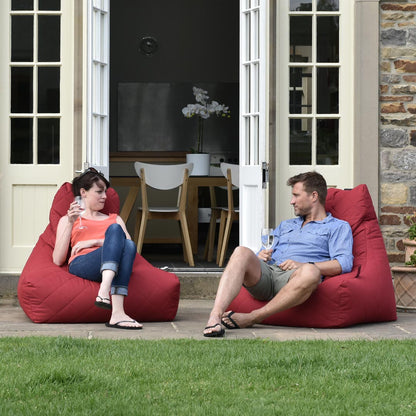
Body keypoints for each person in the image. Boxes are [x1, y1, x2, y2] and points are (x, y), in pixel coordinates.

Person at [203, 171, 354, 337]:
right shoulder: (286, 225)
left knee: (311, 272)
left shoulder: (337, 227)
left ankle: (253, 317)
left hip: (295, 278)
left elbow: (344, 263)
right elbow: (266, 249)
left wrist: (303, 265)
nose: (292, 201)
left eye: (296, 195)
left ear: (314, 196)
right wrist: (260, 255)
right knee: (241, 252)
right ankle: (215, 317)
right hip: (269, 273)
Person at [53, 168, 142, 330]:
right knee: (118, 234)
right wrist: (71, 223)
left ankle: (112, 305)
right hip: (83, 263)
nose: (105, 196)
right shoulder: (68, 219)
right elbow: (57, 259)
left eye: (105, 192)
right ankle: (107, 295)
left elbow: (130, 250)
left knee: (121, 236)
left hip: (111, 264)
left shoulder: (115, 219)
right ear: (83, 193)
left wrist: (93, 242)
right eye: (99, 192)